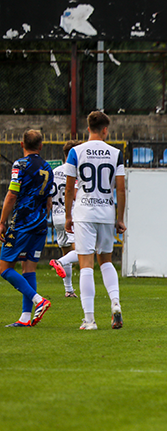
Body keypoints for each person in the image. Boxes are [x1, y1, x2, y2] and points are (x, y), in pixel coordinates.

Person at [63, 110, 126, 331]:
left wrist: (68, 216)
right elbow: (120, 188)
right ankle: (115, 302)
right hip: (107, 213)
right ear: (105, 130)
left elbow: (70, 187)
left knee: (86, 265)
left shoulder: (75, 151)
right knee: (106, 261)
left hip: (84, 213)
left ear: (88, 128)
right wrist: (120, 218)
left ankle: (89, 320)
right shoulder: (115, 153)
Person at [0, 130, 53, 327]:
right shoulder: (48, 167)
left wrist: (2, 221)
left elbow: (12, 195)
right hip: (40, 224)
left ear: (22, 145)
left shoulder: (20, 165)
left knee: (4, 268)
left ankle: (39, 300)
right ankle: (24, 318)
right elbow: (49, 201)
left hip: (22, 223)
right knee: (28, 268)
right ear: (41, 146)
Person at [48, 140, 81, 298]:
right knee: (82, 252)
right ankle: (59, 261)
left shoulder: (55, 171)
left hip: (56, 216)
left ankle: (68, 290)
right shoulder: (75, 171)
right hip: (71, 216)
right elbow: (73, 194)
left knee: (67, 250)